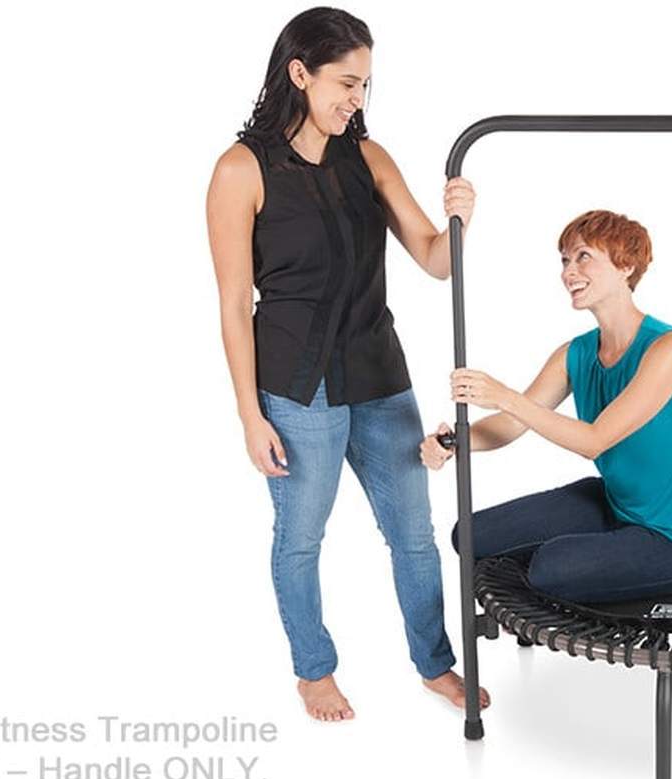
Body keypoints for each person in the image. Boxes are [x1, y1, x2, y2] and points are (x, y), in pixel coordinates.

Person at [206, 7, 489, 722]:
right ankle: (314, 671)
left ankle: (435, 663)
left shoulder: (369, 157)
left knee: (414, 536)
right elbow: (234, 302)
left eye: (365, 84)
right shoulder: (240, 170)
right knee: (301, 539)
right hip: (297, 389)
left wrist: (459, 221)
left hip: (378, 375)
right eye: (345, 83)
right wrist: (249, 415)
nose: (356, 99)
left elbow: (435, 260)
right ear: (300, 74)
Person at [420, 210, 672, 603]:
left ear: (626, 267)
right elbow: (511, 425)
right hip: (613, 504)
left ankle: (576, 567)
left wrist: (505, 395)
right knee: (470, 535)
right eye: (564, 260)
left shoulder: (669, 349)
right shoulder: (575, 353)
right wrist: (455, 443)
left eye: (583, 257)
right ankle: (588, 556)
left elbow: (594, 440)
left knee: (549, 569)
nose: (568, 272)